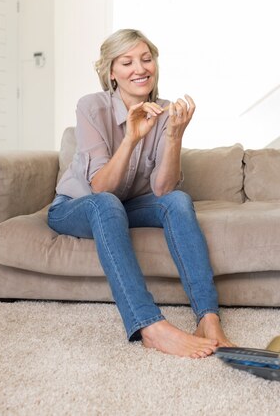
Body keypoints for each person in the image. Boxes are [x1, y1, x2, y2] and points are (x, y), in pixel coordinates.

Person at [47, 28, 233, 358]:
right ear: (111, 72)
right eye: (127, 62)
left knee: (178, 199)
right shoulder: (91, 107)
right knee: (105, 203)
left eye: (146, 59)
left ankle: (208, 317)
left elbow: (162, 189)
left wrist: (174, 135)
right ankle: (150, 326)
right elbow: (100, 187)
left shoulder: (163, 112)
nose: (140, 69)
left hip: (126, 206)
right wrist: (132, 137)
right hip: (77, 207)